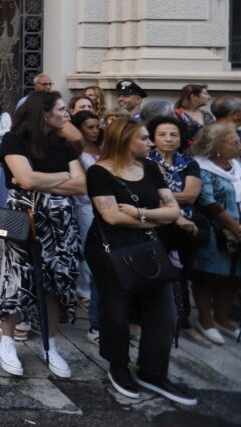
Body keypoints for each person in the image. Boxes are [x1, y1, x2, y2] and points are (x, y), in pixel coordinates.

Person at [85, 118, 196, 406]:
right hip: (110, 248)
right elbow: (110, 217)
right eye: (144, 138)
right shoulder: (99, 172)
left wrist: (139, 213)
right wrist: (153, 218)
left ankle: (153, 371)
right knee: (116, 310)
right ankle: (118, 365)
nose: (150, 143)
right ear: (125, 140)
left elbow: (173, 210)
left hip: (147, 246)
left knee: (164, 312)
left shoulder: (150, 168)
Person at [0, 91, 85, 379]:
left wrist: (40, 181)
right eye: (61, 109)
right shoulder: (14, 140)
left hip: (61, 225)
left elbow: (82, 184)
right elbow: (25, 179)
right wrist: (62, 178)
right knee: (18, 277)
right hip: (26, 220)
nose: (66, 113)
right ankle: (7, 341)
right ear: (45, 113)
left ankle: (50, 344)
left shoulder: (64, 143)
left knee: (56, 282)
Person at [145, 115, 205, 346]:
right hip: (155, 225)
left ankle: (182, 321)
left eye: (173, 135)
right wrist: (168, 202)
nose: (168, 139)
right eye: (162, 134)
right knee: (153, 274)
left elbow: (191, 195)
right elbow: (146, 194)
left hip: (185, 228)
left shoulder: (189, 164)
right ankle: (151, 321)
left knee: (181, 275)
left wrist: (162, 195)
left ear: (181, 138)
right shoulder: (146, 162)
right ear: (153, 138)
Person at [191, 123, 241, 344]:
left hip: (237, 233)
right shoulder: (202, 168)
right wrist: (235, 227)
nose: (239, 145)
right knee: (208, 277)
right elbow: (208, 202)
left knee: (231, 277)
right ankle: (205, 320)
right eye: (234, 142)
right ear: (217, 146)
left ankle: (223, 318)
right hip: (216, 232)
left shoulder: (236, 166)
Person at [71, 110, 102, 339]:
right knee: (85, 248)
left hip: (105, 204)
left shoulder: (102, 148)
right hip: (85, 204)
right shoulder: (77, 151)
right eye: (90, 127)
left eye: (96, 126)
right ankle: (83, 289)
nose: (95, 131)